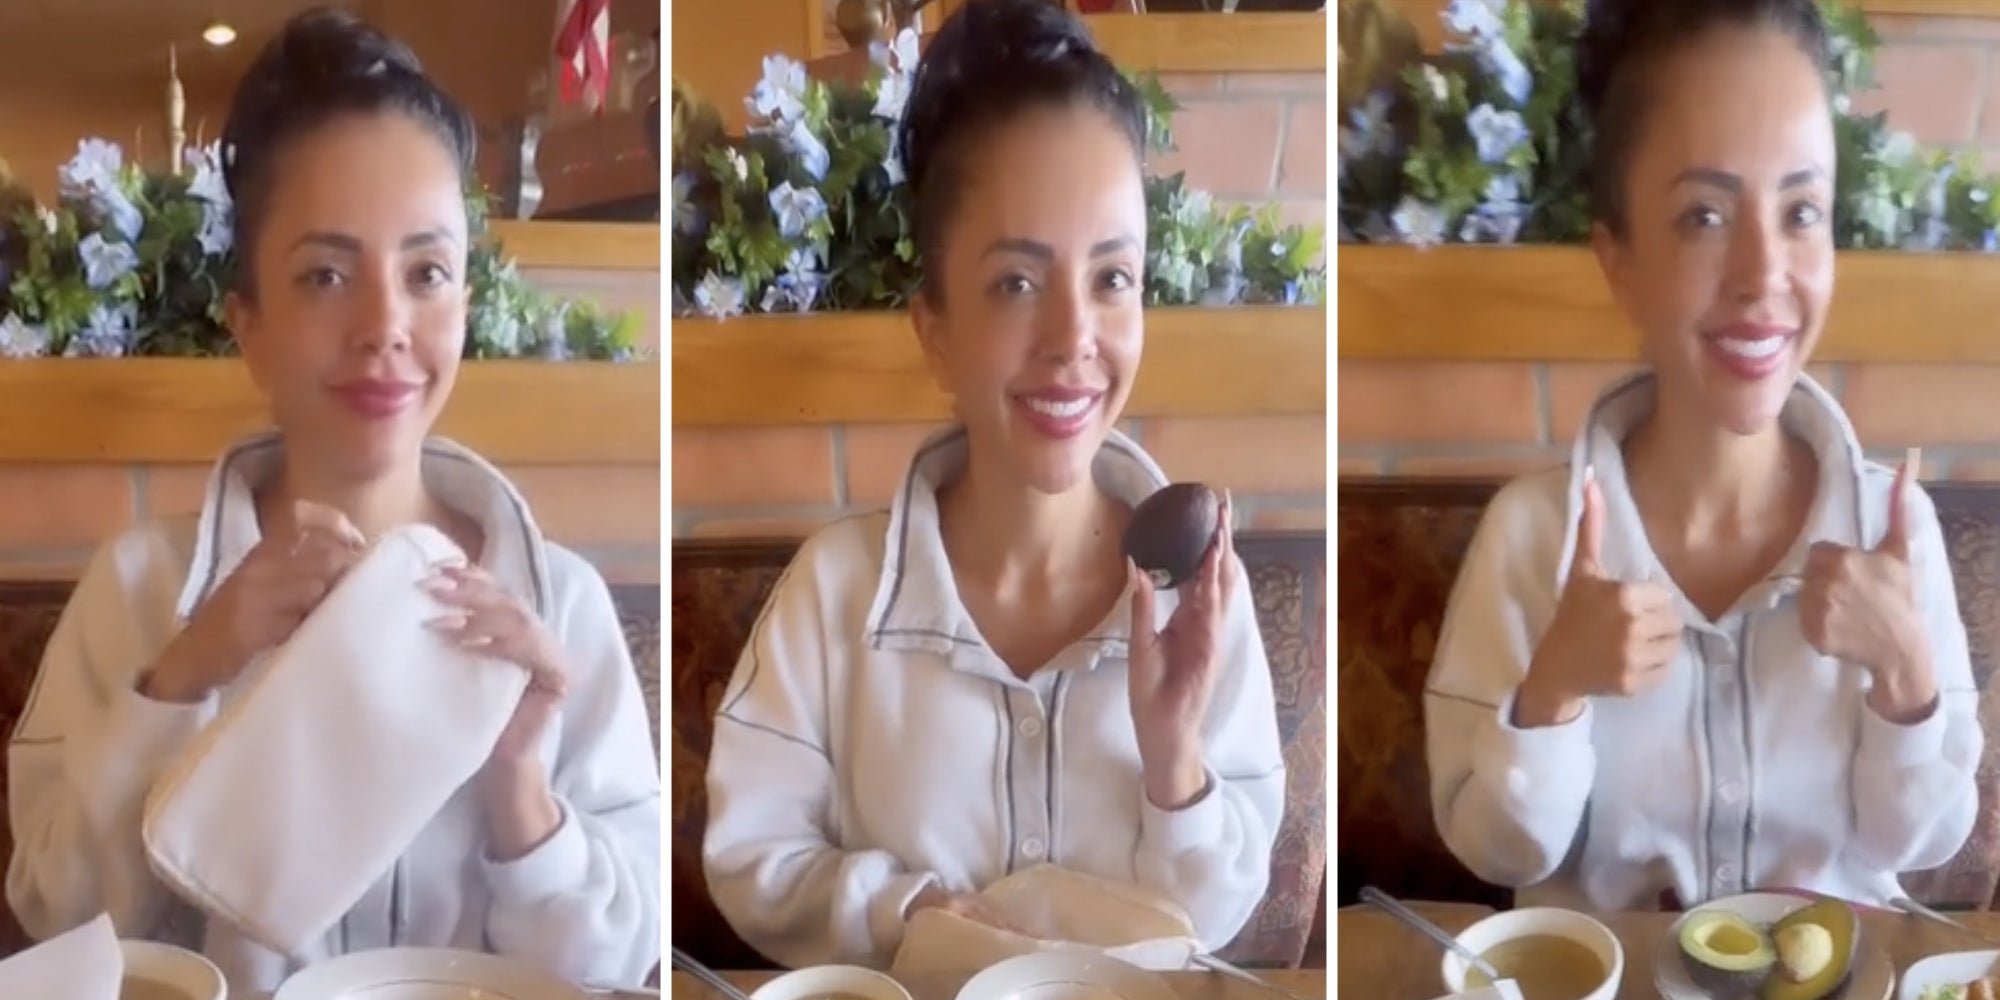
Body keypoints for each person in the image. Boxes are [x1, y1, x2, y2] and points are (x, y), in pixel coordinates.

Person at [4, 8, 661, 991]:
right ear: (250, 325)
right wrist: (189, 672)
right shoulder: (143, 588)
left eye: (426, 271)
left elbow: (623, 961)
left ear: (465, 304)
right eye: (325, 273)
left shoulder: (555, 605)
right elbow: (57, 919)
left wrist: (520, 787)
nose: (385, 324)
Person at [700, 0, 1287, 971]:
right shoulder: (832, 591)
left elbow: (1216, 916)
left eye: (1111, 279)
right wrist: (910, 908)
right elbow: (750, 855)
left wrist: (1174, 757)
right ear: (932, 325)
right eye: (1016, 283)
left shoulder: (1200, 599)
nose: (1073, 342)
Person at [1426, 0, 1982, 913]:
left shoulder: (1896, 527)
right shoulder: (1533, 535)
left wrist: (1907, 683)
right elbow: (1497, 852)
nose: (1765, 274)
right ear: (1621, 262)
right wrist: (1554, 690)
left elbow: (1912, 846)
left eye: (1802, 210)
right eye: (1704, 217)